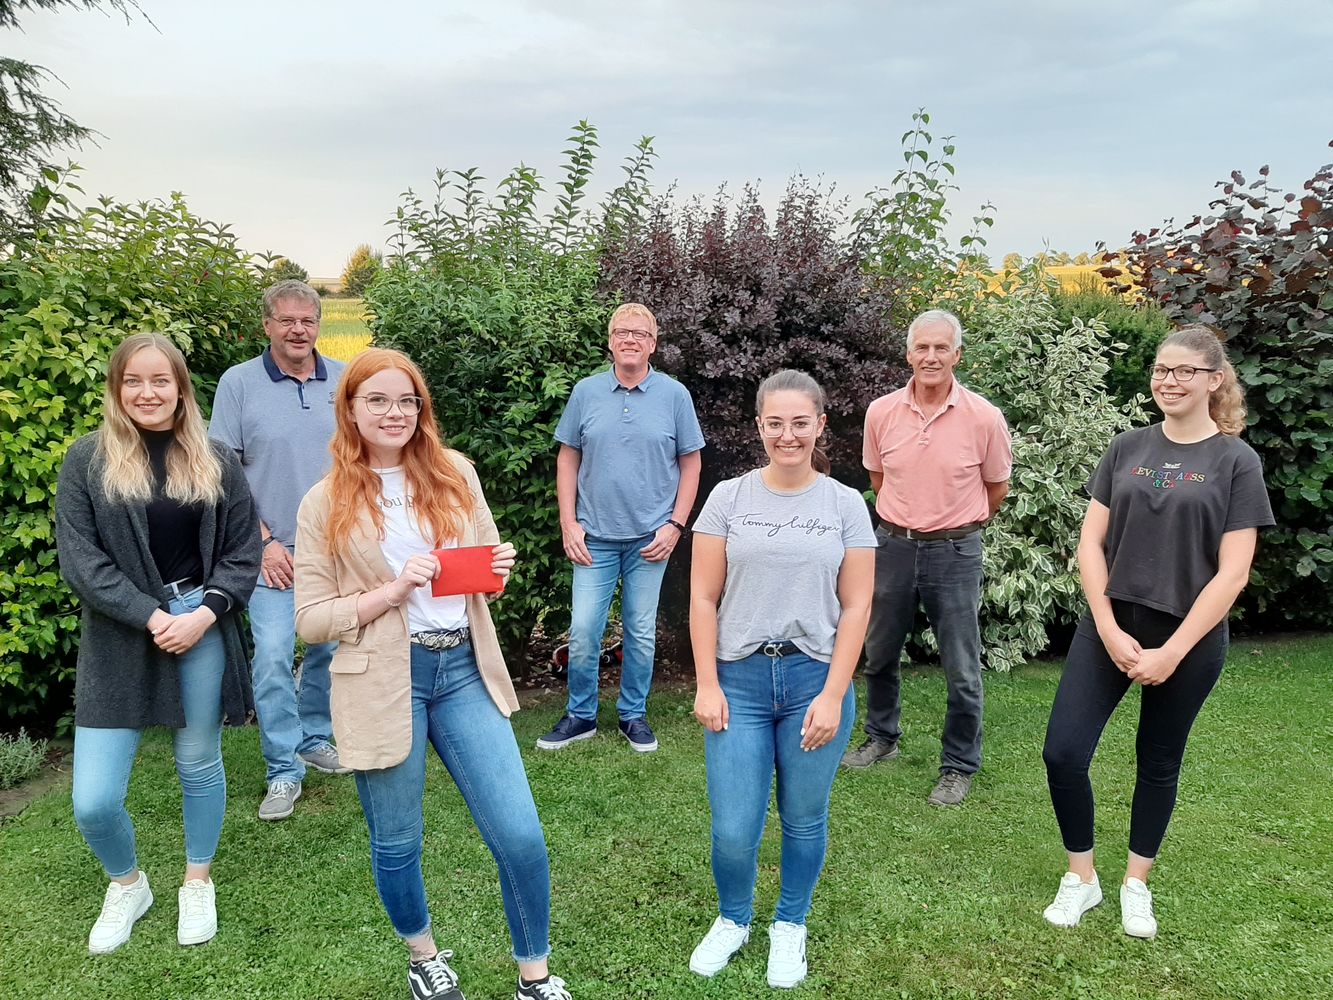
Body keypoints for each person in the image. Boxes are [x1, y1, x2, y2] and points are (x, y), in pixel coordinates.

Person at [293, 348, 572, 1000]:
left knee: (521, 837)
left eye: (407, 400)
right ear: (351, 409)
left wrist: (495, 571)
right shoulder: (324, 502)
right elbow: (310, 620)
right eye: (378, 400)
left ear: (422, 408)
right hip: (382, 680)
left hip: (463, 670)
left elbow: (484, 569)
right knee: (397, 842)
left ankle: (534, 977)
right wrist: (391, 591)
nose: (395, 413)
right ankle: (423, 957)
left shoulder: (455, 473)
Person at [1040, 325, 1273, 939]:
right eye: (1161, 369)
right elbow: (1090, 543)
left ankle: (1135, 884)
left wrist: (1173, 651)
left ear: (1214, 380)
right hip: (1111, 623)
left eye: (1184, 371)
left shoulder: (1236, 461)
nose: (1169, 380)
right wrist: (1108, 627)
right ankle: (1082, 878)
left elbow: (1233, 572)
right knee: (1063, 751)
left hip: (1189, 638)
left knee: (1159, 759)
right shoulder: (1126, 446)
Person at [55, 333, 260, 954]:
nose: (147, 393)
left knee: (198, 763)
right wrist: (150, 615)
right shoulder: (87, 460)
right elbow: (81, 562)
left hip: (201, 622)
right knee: (93, 800)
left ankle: (197, 880)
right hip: (120, 632)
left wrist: (204, 614)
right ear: (117, 388)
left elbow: (242, 551)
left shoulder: (214, 458)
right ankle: (128, 884)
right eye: (133, 381)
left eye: (160, 380)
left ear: (180, 387)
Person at [688, 370, 875, 989]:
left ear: (820, 424)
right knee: (734, 828)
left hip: (813, 679)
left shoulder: (845, 504)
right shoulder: (728, 498)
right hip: (738, 681)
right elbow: (703, 597)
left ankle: (790, 923)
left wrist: (833, 694)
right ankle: (734, 919)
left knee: (803, 817)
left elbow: (857, 606)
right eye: (775, 423)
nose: (787, 435)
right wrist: (707, 683)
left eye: (800, 423)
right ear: (759, 427)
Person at [841, 308, 1012, 807]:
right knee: (879, 651)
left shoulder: (984, 417)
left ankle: (958, 765)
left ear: (957, 355)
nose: (931, 357)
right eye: (922, 347)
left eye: (941, 348)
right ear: (909, 354)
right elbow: (879, 479)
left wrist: (955, 524)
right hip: (893, 545)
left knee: (961, 667)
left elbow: (996, 488)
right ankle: (881, 737)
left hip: (955, 551)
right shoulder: (881, 413)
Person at [537, 303, 705, 753]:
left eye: (640, 333)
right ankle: (581, 715)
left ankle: (633, 715)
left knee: (641, 632)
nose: (630, 340)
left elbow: (691, 464)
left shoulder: (674, 396)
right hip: (593, 538)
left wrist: (675, 526)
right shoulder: (586, 392)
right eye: (622, 332)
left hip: (651, 539)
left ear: (653, 343)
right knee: (584, 630)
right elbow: (567, 458)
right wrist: (569, 523)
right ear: (610, 342)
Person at [210, 279, 349, 821]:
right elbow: (222, 474)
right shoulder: (239, 383)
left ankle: (313, 738)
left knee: (328, 651)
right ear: (267, 325)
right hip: (269, 550)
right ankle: (283, 770)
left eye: (307, 321)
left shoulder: (344, 379)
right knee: (271, 657)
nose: (298, 330)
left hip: (334, 548)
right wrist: (263, 541)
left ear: (319, 325)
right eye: (287, 320)